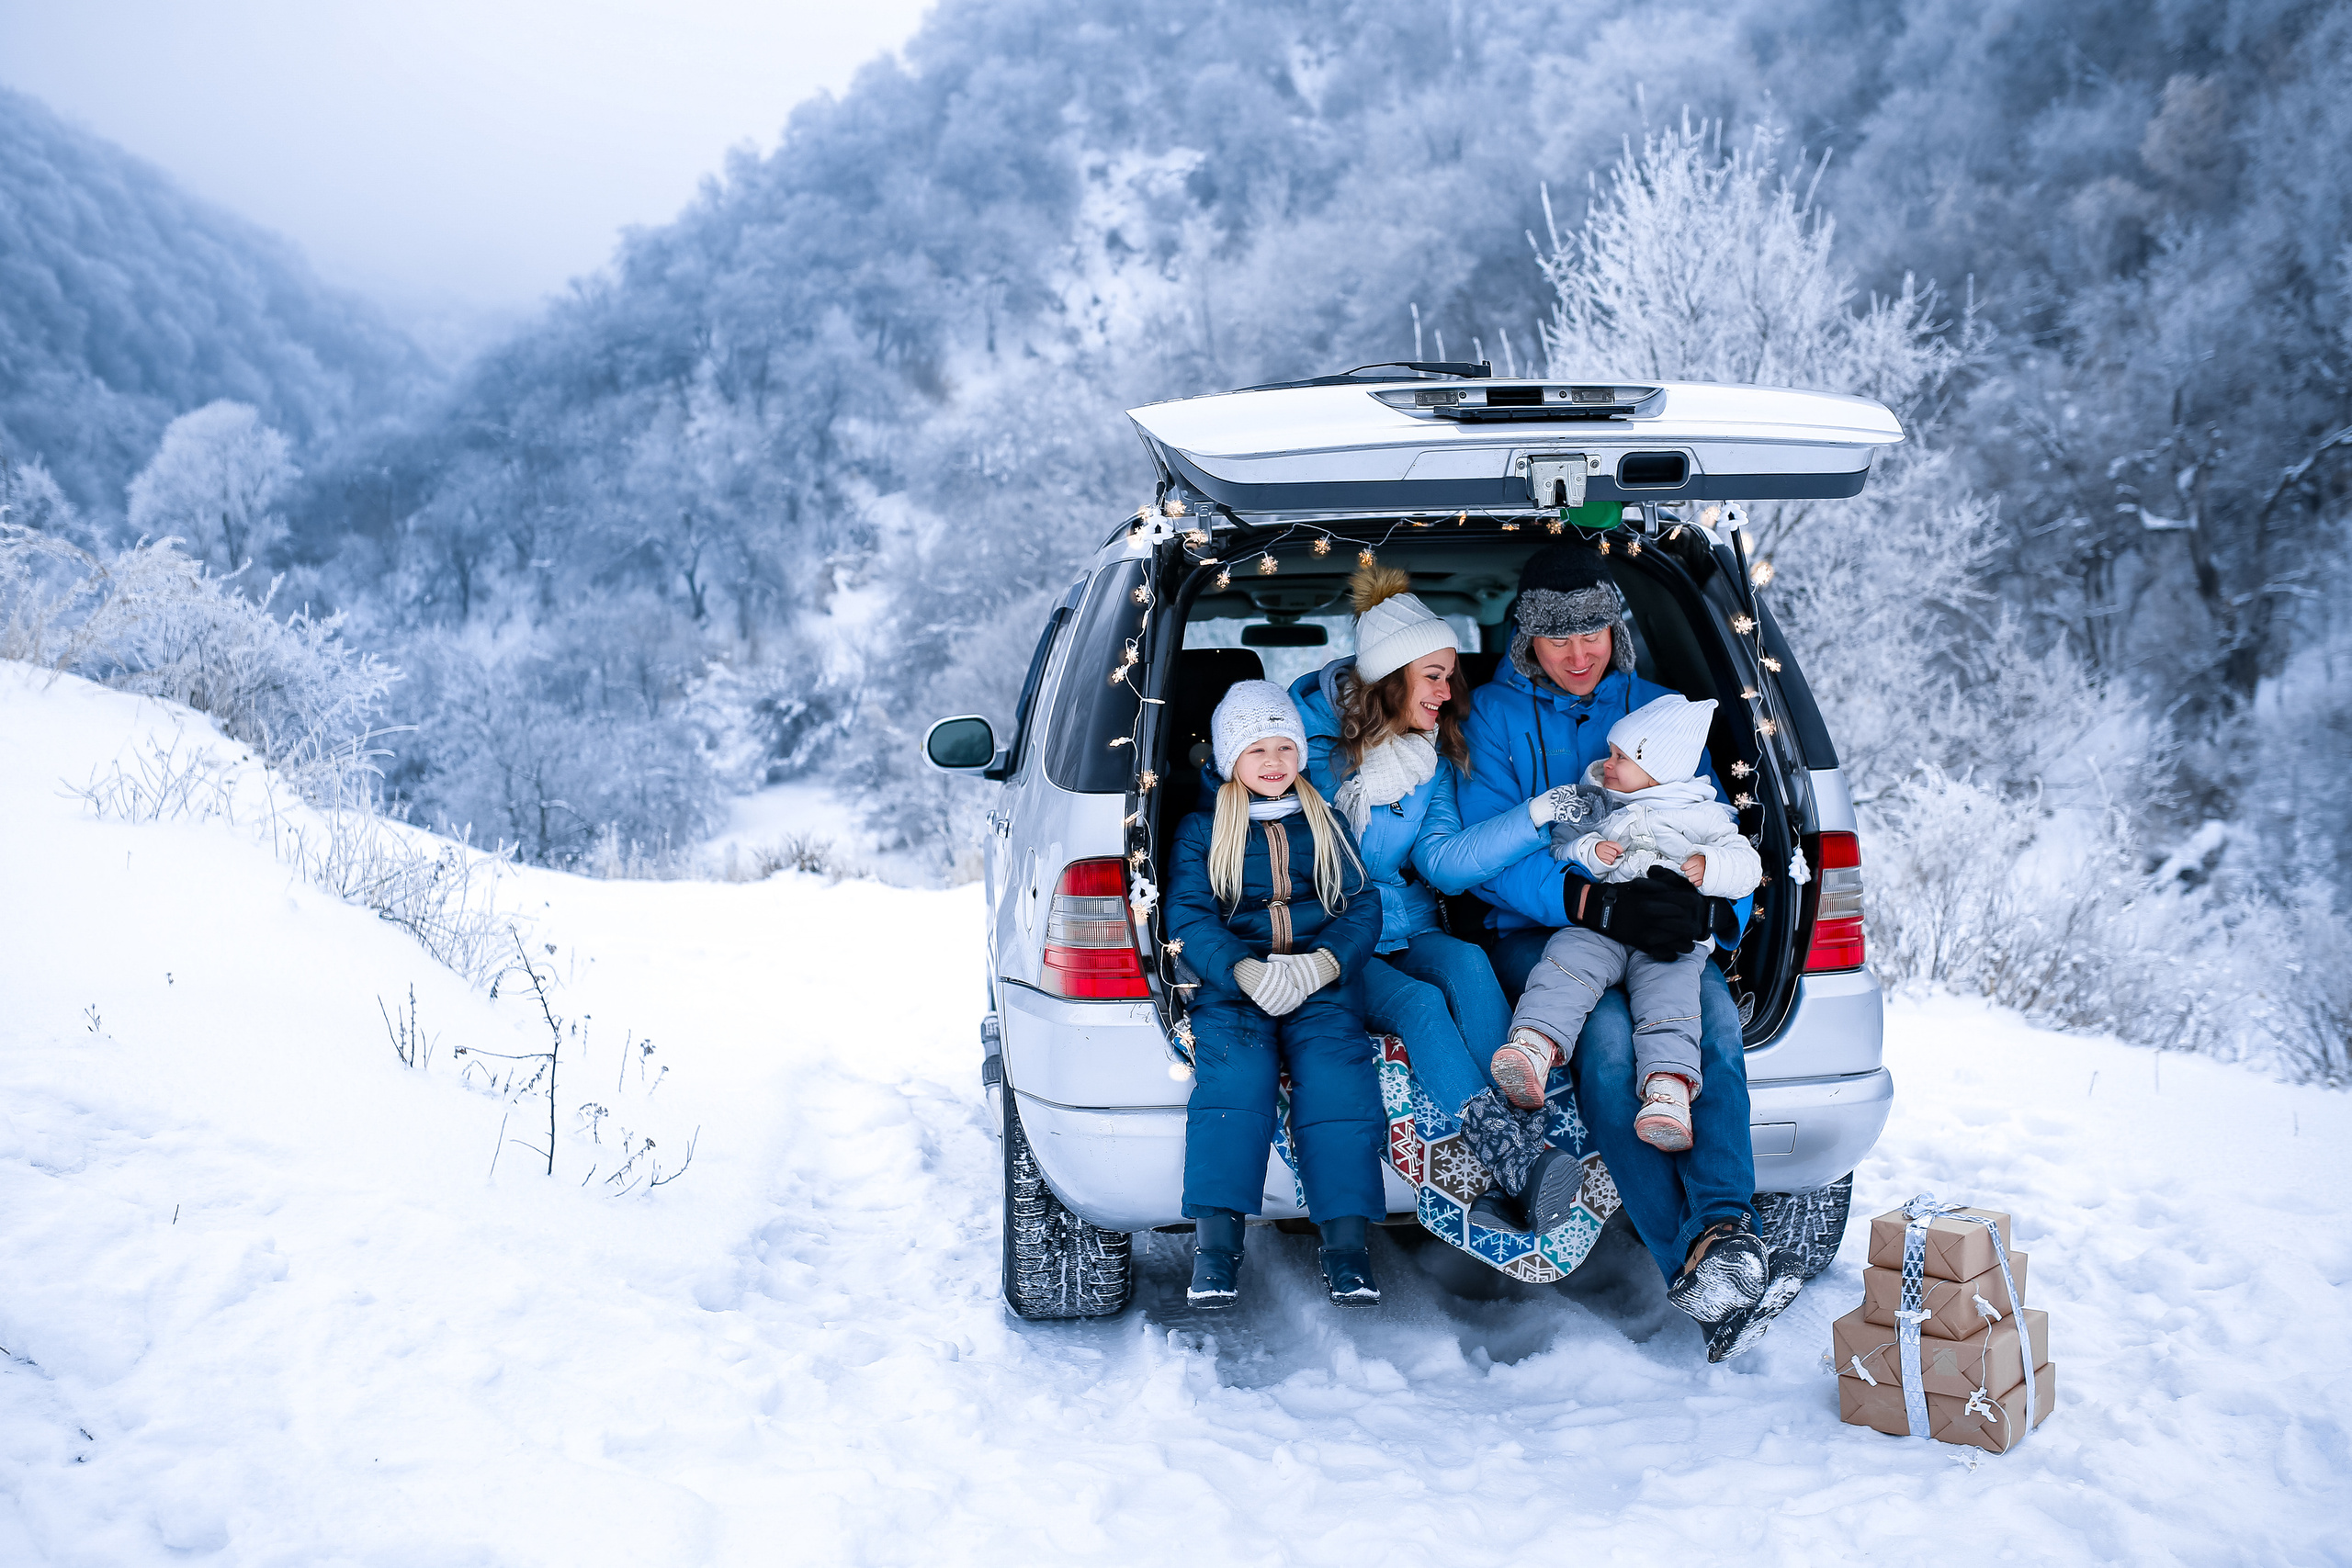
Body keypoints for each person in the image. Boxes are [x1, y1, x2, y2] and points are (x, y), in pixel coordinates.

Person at [1456, 540, 1799, 1361]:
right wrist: (1590, 899)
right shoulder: (1491, 716)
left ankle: (1725, 1231)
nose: (1579, 654)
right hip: (1547, 932)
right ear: (1527, 638)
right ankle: (1698, 1265)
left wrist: (1706, 906)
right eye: (1558, 637)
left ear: (1617, 628)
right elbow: (1488, 854)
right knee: (1610, 1045)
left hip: (1661, 933)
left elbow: (1712, 828)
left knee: (1711, 1025)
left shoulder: (1663, 712)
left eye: (1594, 633)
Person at [1288, 564, 1593, 1235]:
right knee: (1419, 1004)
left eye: (1451, 675)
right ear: (1391, 677)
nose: (1449, 691)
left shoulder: (1427, 756)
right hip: (1329, 934)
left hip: (1403, 920)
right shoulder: (1304, 750)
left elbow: (1444, 864)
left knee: (1467, 964)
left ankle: (1530, 1152)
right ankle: (1509, 1160)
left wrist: (1537, 814)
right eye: (1434, 676)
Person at [1164, 680, 1387, 1310]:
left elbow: (1362, 905)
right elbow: (1187, 914)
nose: (1273, 761)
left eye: (1285, 747)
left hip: (1320, 987)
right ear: (1228, 758)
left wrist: (1324, 963)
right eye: (1256, 749)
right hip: (1235, 990)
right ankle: (1216, 1249)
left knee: (1339, 1083)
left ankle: (1346, 1248)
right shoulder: (1202, 829)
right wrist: (1241, 970)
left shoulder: (1325, 818)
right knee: (1234, 1084)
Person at [1494, 694, 1762, 1203]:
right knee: (1565, 961)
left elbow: (1745, 864)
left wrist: (1711, 867)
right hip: (1603, 927)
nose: (1608, 763)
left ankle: (1668, 1089)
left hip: (1670, 939)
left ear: (1658, 770)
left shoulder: (1702, 814)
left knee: (1671, 1003)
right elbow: (1561, 844)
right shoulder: (1601, 800)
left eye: (1622, 757)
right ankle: (1534, 1045)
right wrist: (1588, 852)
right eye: (1611, 753)